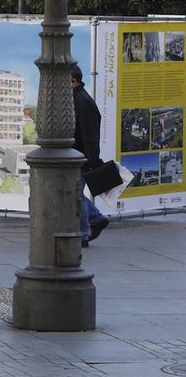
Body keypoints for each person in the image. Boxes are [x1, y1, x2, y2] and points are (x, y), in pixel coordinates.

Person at [73, 65, 109, 247]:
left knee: (74, 195)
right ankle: (96, 219)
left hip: (81, 157)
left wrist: (93, 160)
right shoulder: (78, 98)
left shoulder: (82, 101)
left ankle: (82, 234)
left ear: (73, 81)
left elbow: (90, 134)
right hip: (78, 155)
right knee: (74, 193)